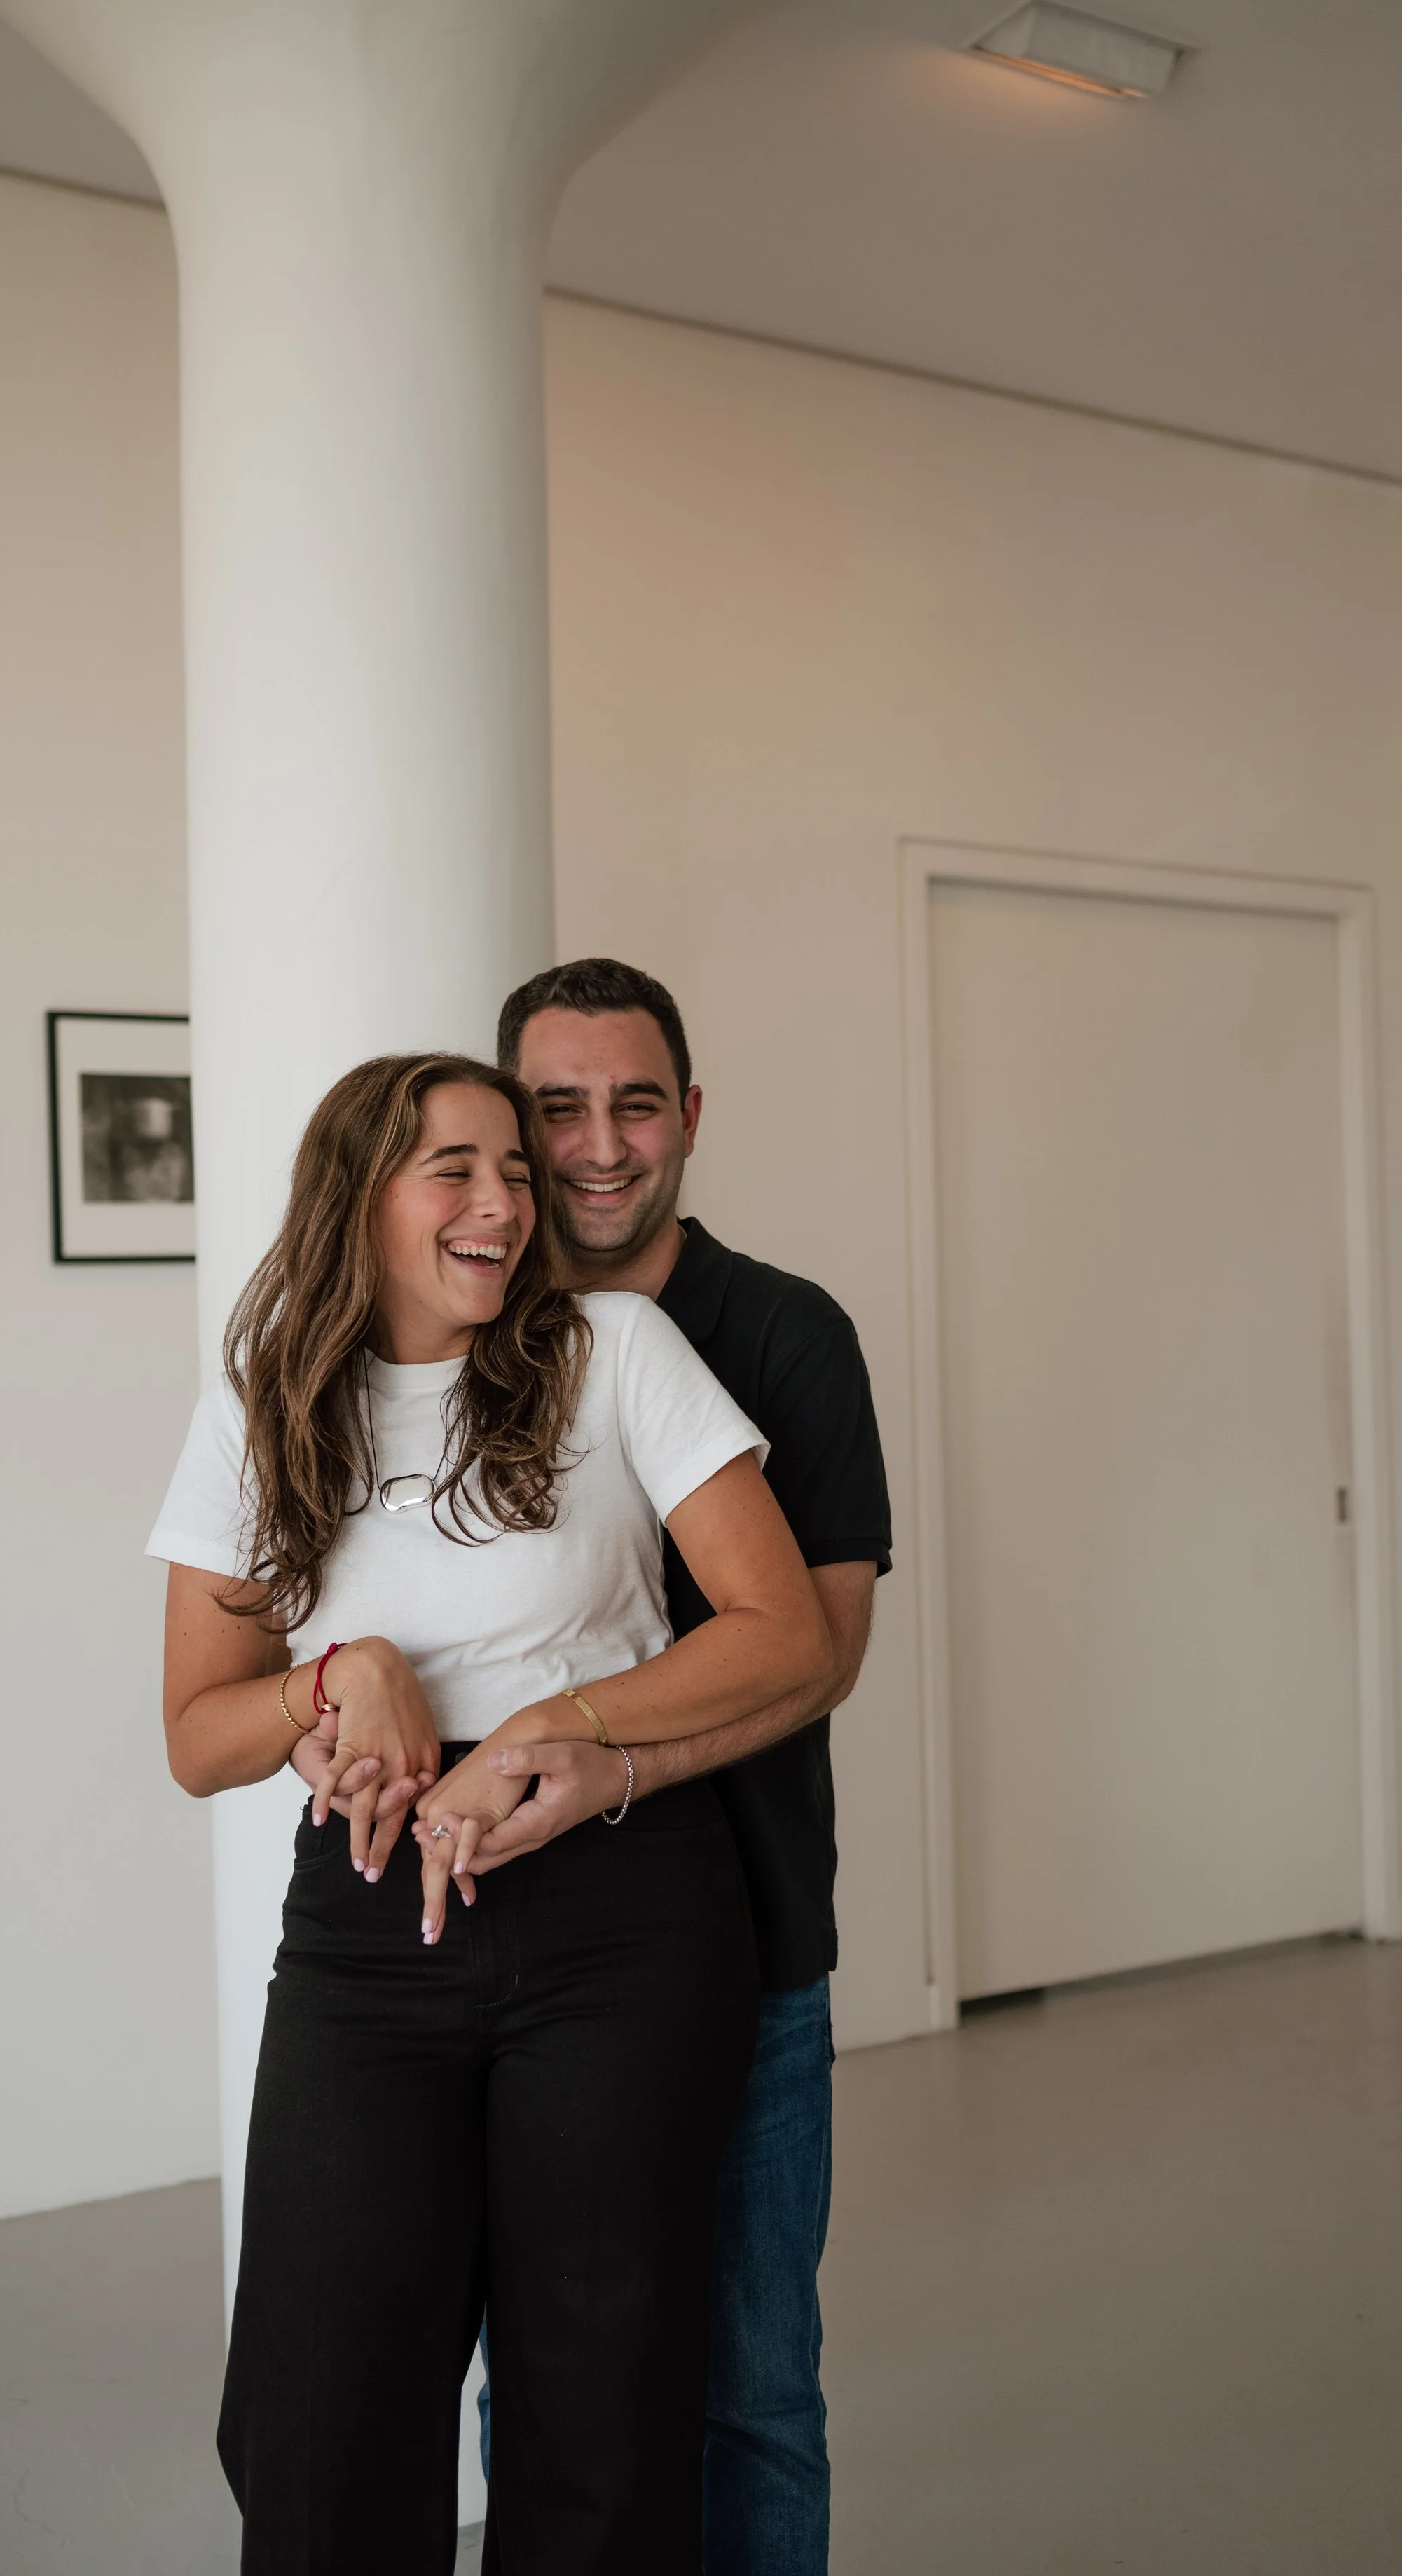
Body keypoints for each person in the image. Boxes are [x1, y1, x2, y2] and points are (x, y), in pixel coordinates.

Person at [147, 1050, 831, 2576]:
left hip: (623, 1909)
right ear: (359, 1196)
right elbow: (200, 1737)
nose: (505, 1201)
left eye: (514, 1170)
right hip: (370, 1929)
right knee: (316, 2411)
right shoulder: (263, 1407)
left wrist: (550, 1724)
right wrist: (340, 1676)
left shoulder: (614, 1349)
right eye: (454, 1167)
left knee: (600, 2409)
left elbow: (781, 1627)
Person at [313, 962, 890, 2575]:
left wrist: (582, 1751)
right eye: (550, 1111)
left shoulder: (774, 1333)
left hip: (745, 1928)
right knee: (551, 2392)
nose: (591, 1148)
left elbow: (816, 1649)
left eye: (633, 1104)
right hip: (481, 1941)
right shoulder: (440, 1342)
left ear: (687, 1117)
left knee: (752, 2389)